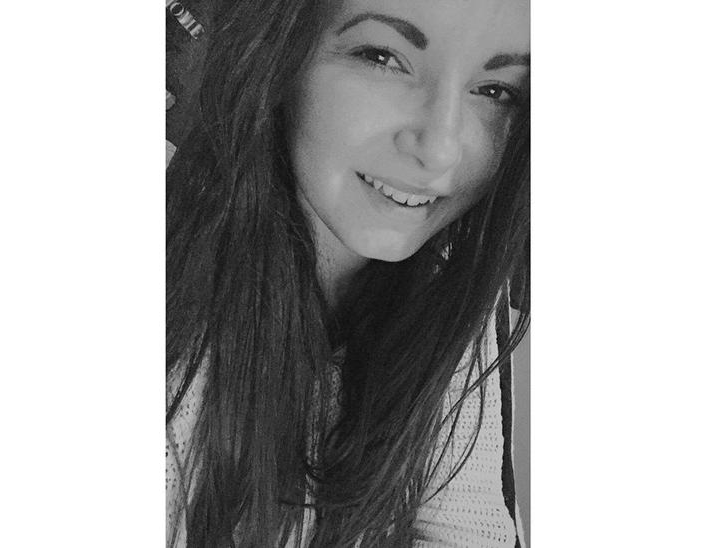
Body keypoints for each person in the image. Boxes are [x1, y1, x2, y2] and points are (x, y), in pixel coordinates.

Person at [166, 0, 530, 546]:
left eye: (495, 90)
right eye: (383, 57)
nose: (440, 148)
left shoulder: (451, 284)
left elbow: (465, 529)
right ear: (279, 57)